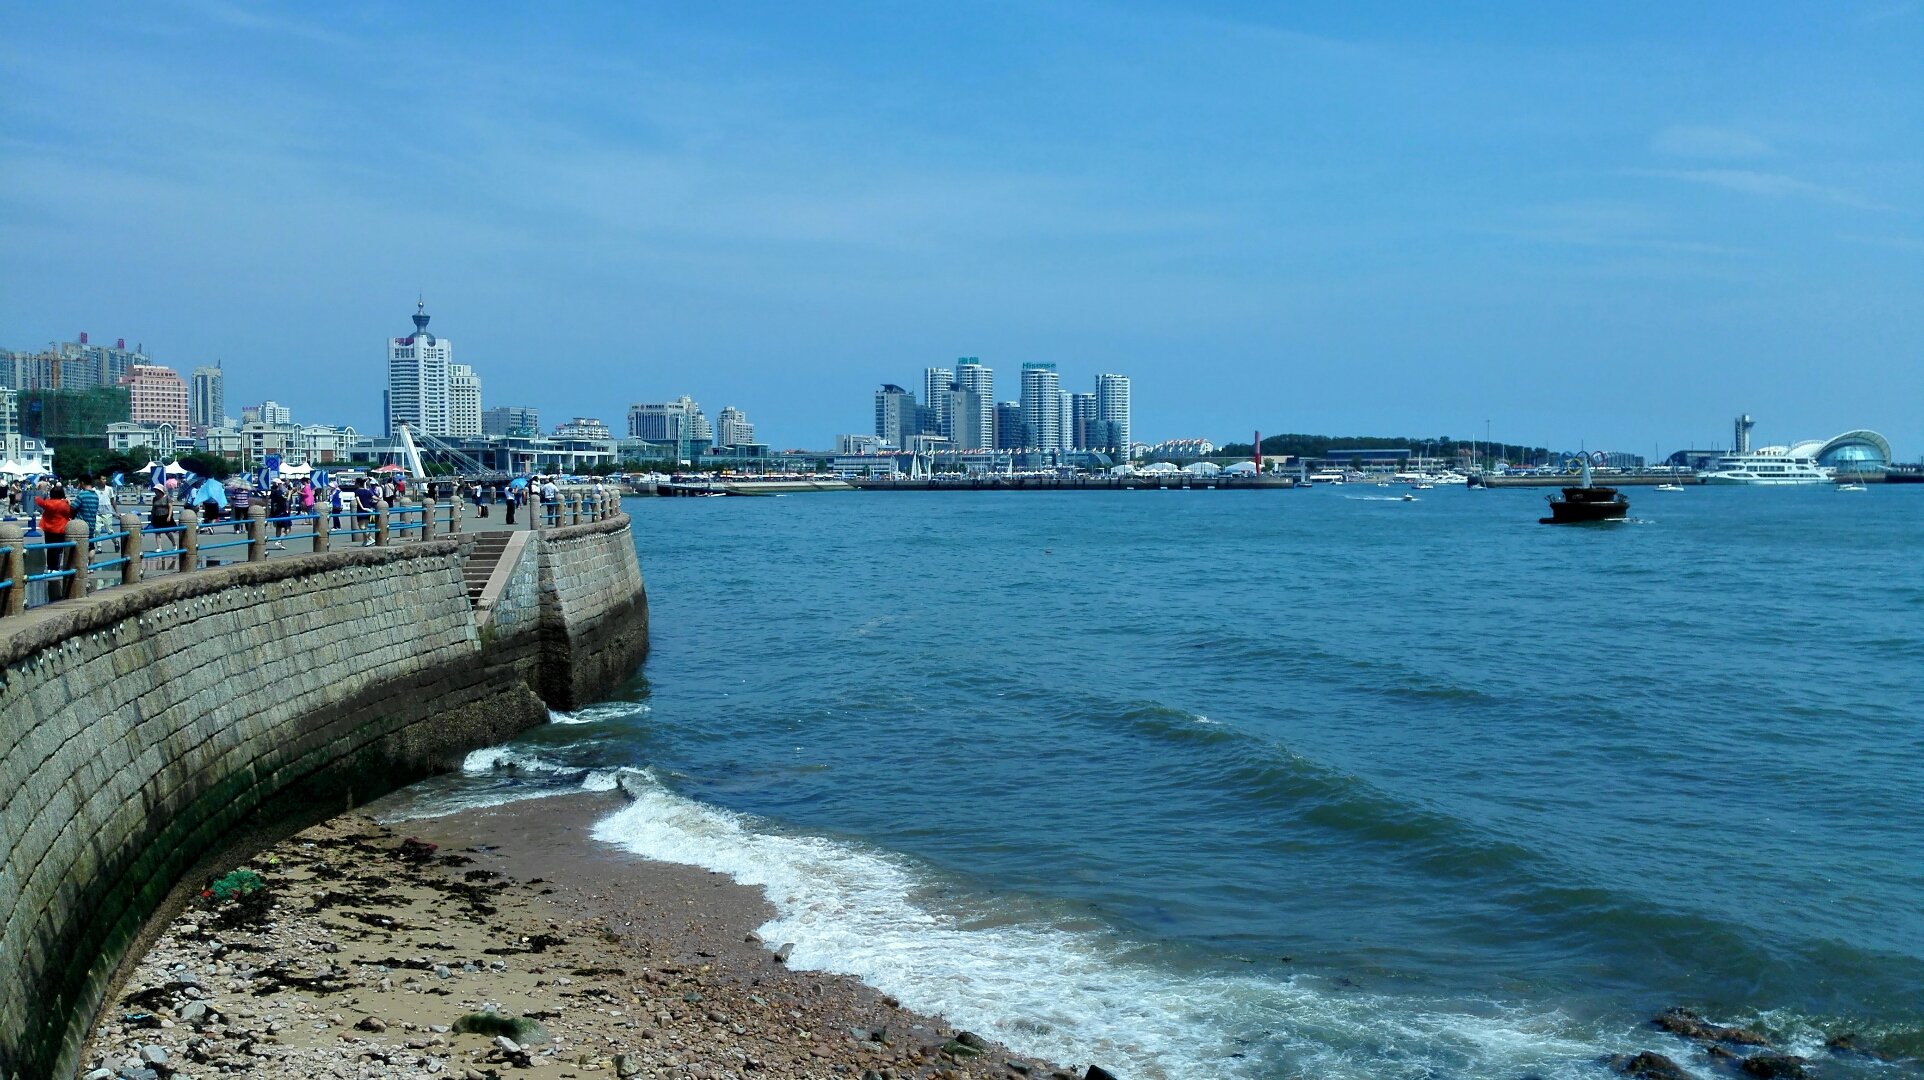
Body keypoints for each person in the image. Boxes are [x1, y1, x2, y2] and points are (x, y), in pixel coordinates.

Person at [35, 482, 75, 600]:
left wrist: (41, 493)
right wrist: (68, 502)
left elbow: (38, 501)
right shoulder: (64, 505)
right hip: (61, 529)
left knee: (50, 548)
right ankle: (56, 568)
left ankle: (50, 567)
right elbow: (71, 513)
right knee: (59, 549)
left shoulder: (48, 503)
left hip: (48, 529)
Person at [148, 487, 178, 570]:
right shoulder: (155, 499)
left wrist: (169, 516)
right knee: (157, 532)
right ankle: (159, 547)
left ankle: (174, 545)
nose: (155, 492)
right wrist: (152, 517)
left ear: (160, 491)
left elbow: (170, 507)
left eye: (157, 491)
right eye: (155, 491)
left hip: (165, 516)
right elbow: (153, 508)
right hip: (157, 516)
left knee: (168, 532)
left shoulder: (167, 498)